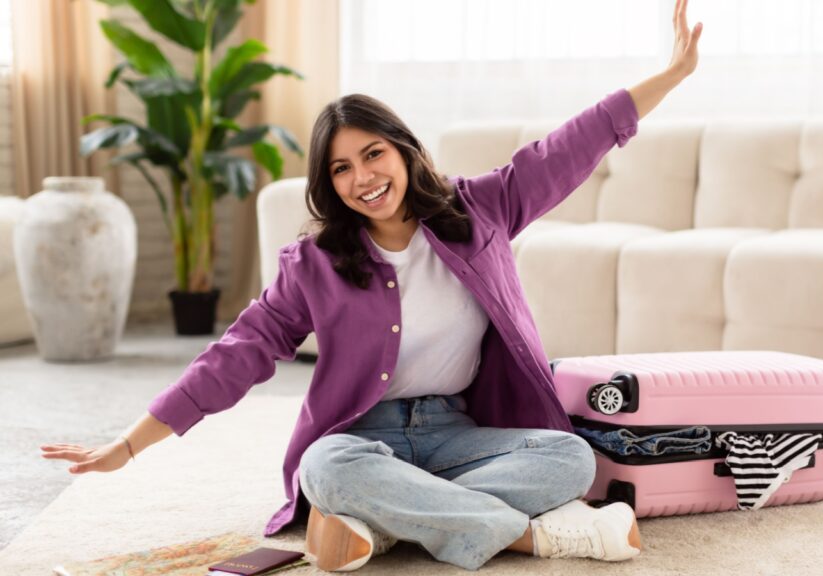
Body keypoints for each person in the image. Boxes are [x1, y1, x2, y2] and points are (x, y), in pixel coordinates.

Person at [40, 0, 703, 571]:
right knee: (324, 471)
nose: (363, 178)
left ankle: (382, 524)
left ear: (403, 150)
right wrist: (130, 444)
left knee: (569, 460)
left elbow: (567, 148)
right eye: (341, 168)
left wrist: (669, 77)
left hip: (459, 433)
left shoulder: (482, 210)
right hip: (363, 439)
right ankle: (534, 536)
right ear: (328, 184)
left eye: (373, 155)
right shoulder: (314, 263)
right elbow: (233, 357)